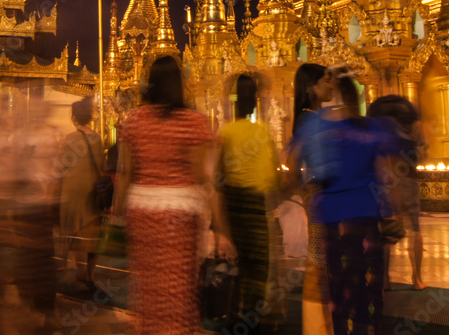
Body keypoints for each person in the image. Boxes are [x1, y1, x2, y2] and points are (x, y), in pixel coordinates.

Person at [113, 55, 232, 335]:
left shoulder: (134, 121)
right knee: (178, 288)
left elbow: (127, 173)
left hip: (143, 212)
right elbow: (205, 180)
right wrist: (222, 229)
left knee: (150, 287)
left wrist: (118, 215)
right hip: (179, 215)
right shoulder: (193, 122)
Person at [294, 66, 388, 335]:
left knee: (338, 282)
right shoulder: (364, 126)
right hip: (360, 214)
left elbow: (300, 166)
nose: (329, 87)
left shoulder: (319, 123)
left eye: (332, 82)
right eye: (325, 82)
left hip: (332, 212)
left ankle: (332, 328)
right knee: (361, 283)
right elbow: (384, 172)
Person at [217, 73, 281, 329]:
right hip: (255, 205)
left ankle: (231, 315)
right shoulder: (262, 132)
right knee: (257, 267)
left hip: (232, 205)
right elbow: (273, 175)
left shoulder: (226, 132)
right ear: (254, 103)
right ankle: (250, 316)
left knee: (234, 265)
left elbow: (218, 176)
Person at [288, 63, 334, 334]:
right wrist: (308, 190)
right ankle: (318, 327)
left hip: (321, 193)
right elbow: (293, 161)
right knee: (320, 260)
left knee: (323, 259)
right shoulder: (312, 120)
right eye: (325, 81)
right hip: (323, 194)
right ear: (310, 88)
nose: (330, 86)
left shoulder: (313, 118)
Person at [368, 94, 426, 290]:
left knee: (386, 231)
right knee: (415, 230)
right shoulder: (409, 113)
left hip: (383, 179)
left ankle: (384, 278)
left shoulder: (376, 112)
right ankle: (417, 278)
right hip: (408, 176)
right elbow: (421, 144)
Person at [58, 97, 105, 291]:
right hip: (92, 191)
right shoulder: (96, 138)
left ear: (73, 117)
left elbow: (60, 166)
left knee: (75, 232)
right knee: (93, 232)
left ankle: (78, 270)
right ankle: (90, 274)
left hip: (72, 192)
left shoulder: (69, 139)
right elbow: (102, 165)